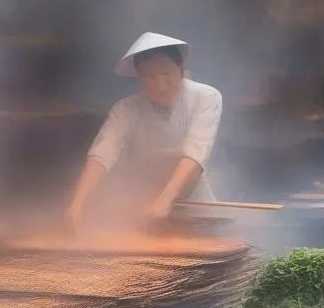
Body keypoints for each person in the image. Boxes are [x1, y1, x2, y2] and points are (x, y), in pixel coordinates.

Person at [66, 32, 222, 230]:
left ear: (181, 70)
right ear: (139, 78)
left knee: (213, 248)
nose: (160, 85)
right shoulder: (125, 109)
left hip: (195, 200)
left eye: (167, 74)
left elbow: (196, 152)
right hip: (143, 200)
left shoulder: (206, 97)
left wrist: (165, 200)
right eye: (149, 77)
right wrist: (77, 203)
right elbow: (102, 153)